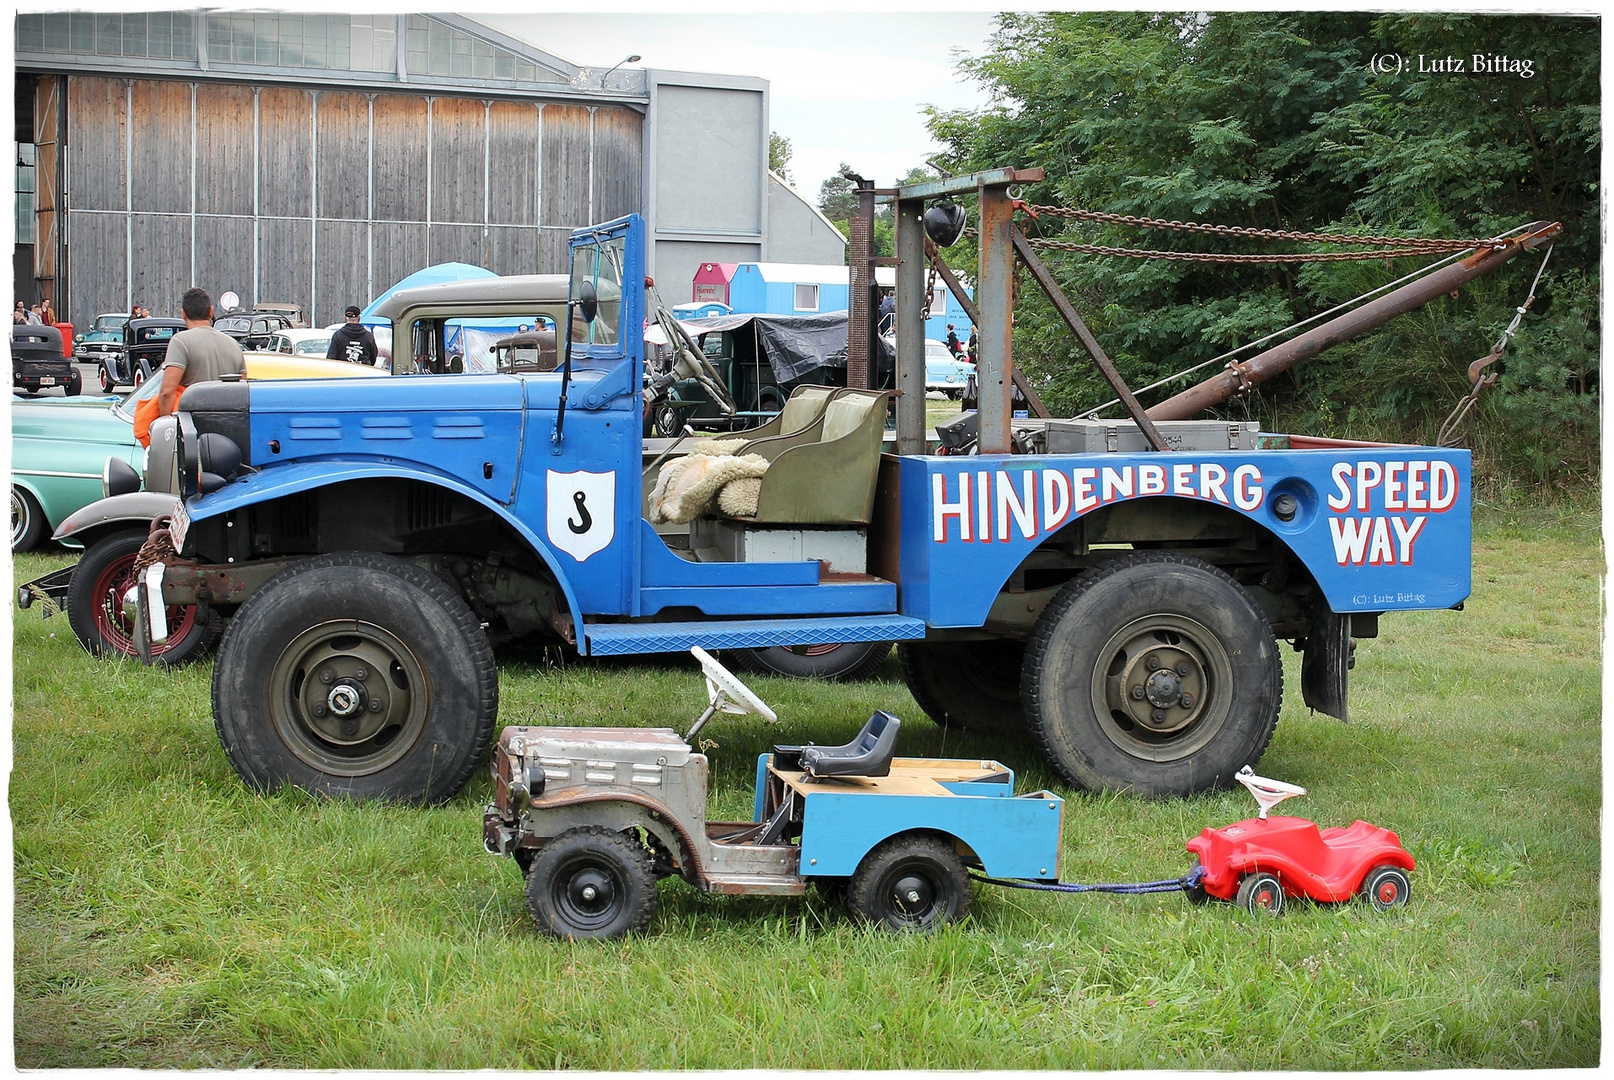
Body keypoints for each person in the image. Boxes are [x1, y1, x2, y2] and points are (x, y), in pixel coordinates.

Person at [157, 287, 244, 418]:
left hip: (194, 427)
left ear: (183, 314)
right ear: (211, 312)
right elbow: (242, 394)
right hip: (227, 429)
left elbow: (167, 392)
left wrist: (164, 425)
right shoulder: (234, 345)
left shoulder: (180, 341)